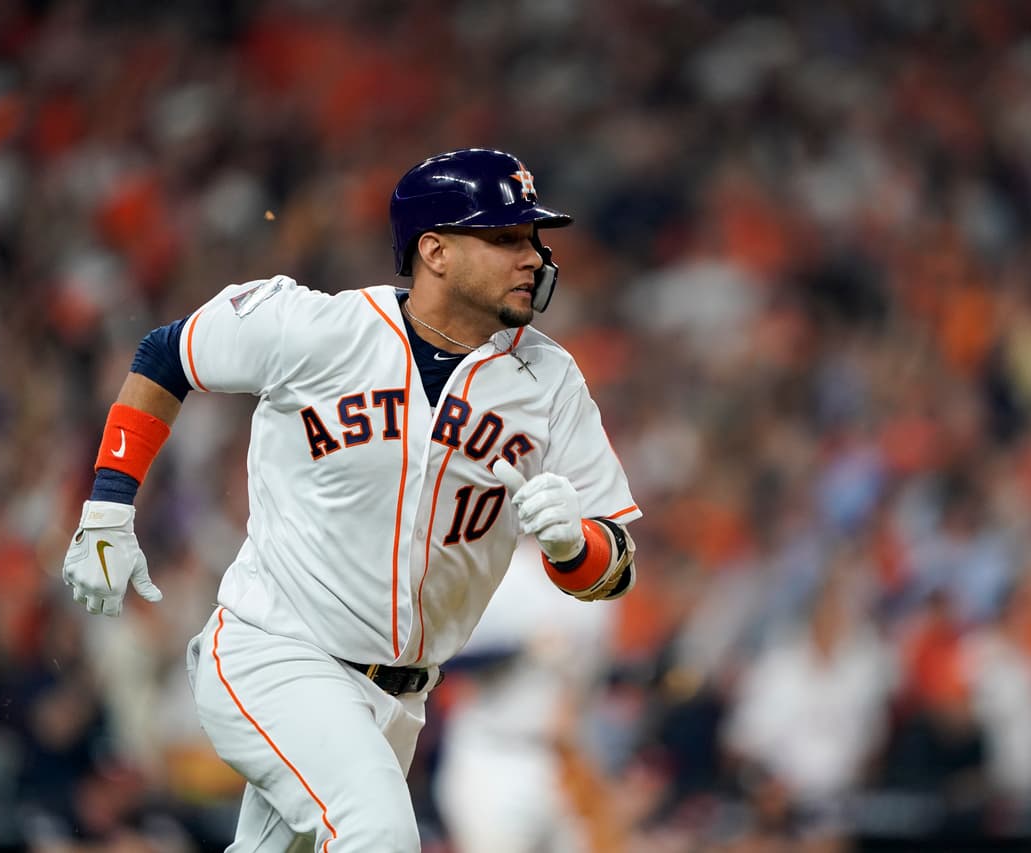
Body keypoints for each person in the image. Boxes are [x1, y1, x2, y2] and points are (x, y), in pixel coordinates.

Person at [60, 148, 642, 852]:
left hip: (401, 700)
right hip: (276, 650)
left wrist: (576, 546)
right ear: (435, 251)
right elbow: (167, 354)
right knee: (380, 834)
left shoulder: (550, 382)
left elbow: (617, 567)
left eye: (533, 239)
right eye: (506, 238)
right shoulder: (318, 328)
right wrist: (107, 508)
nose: (534, 256)